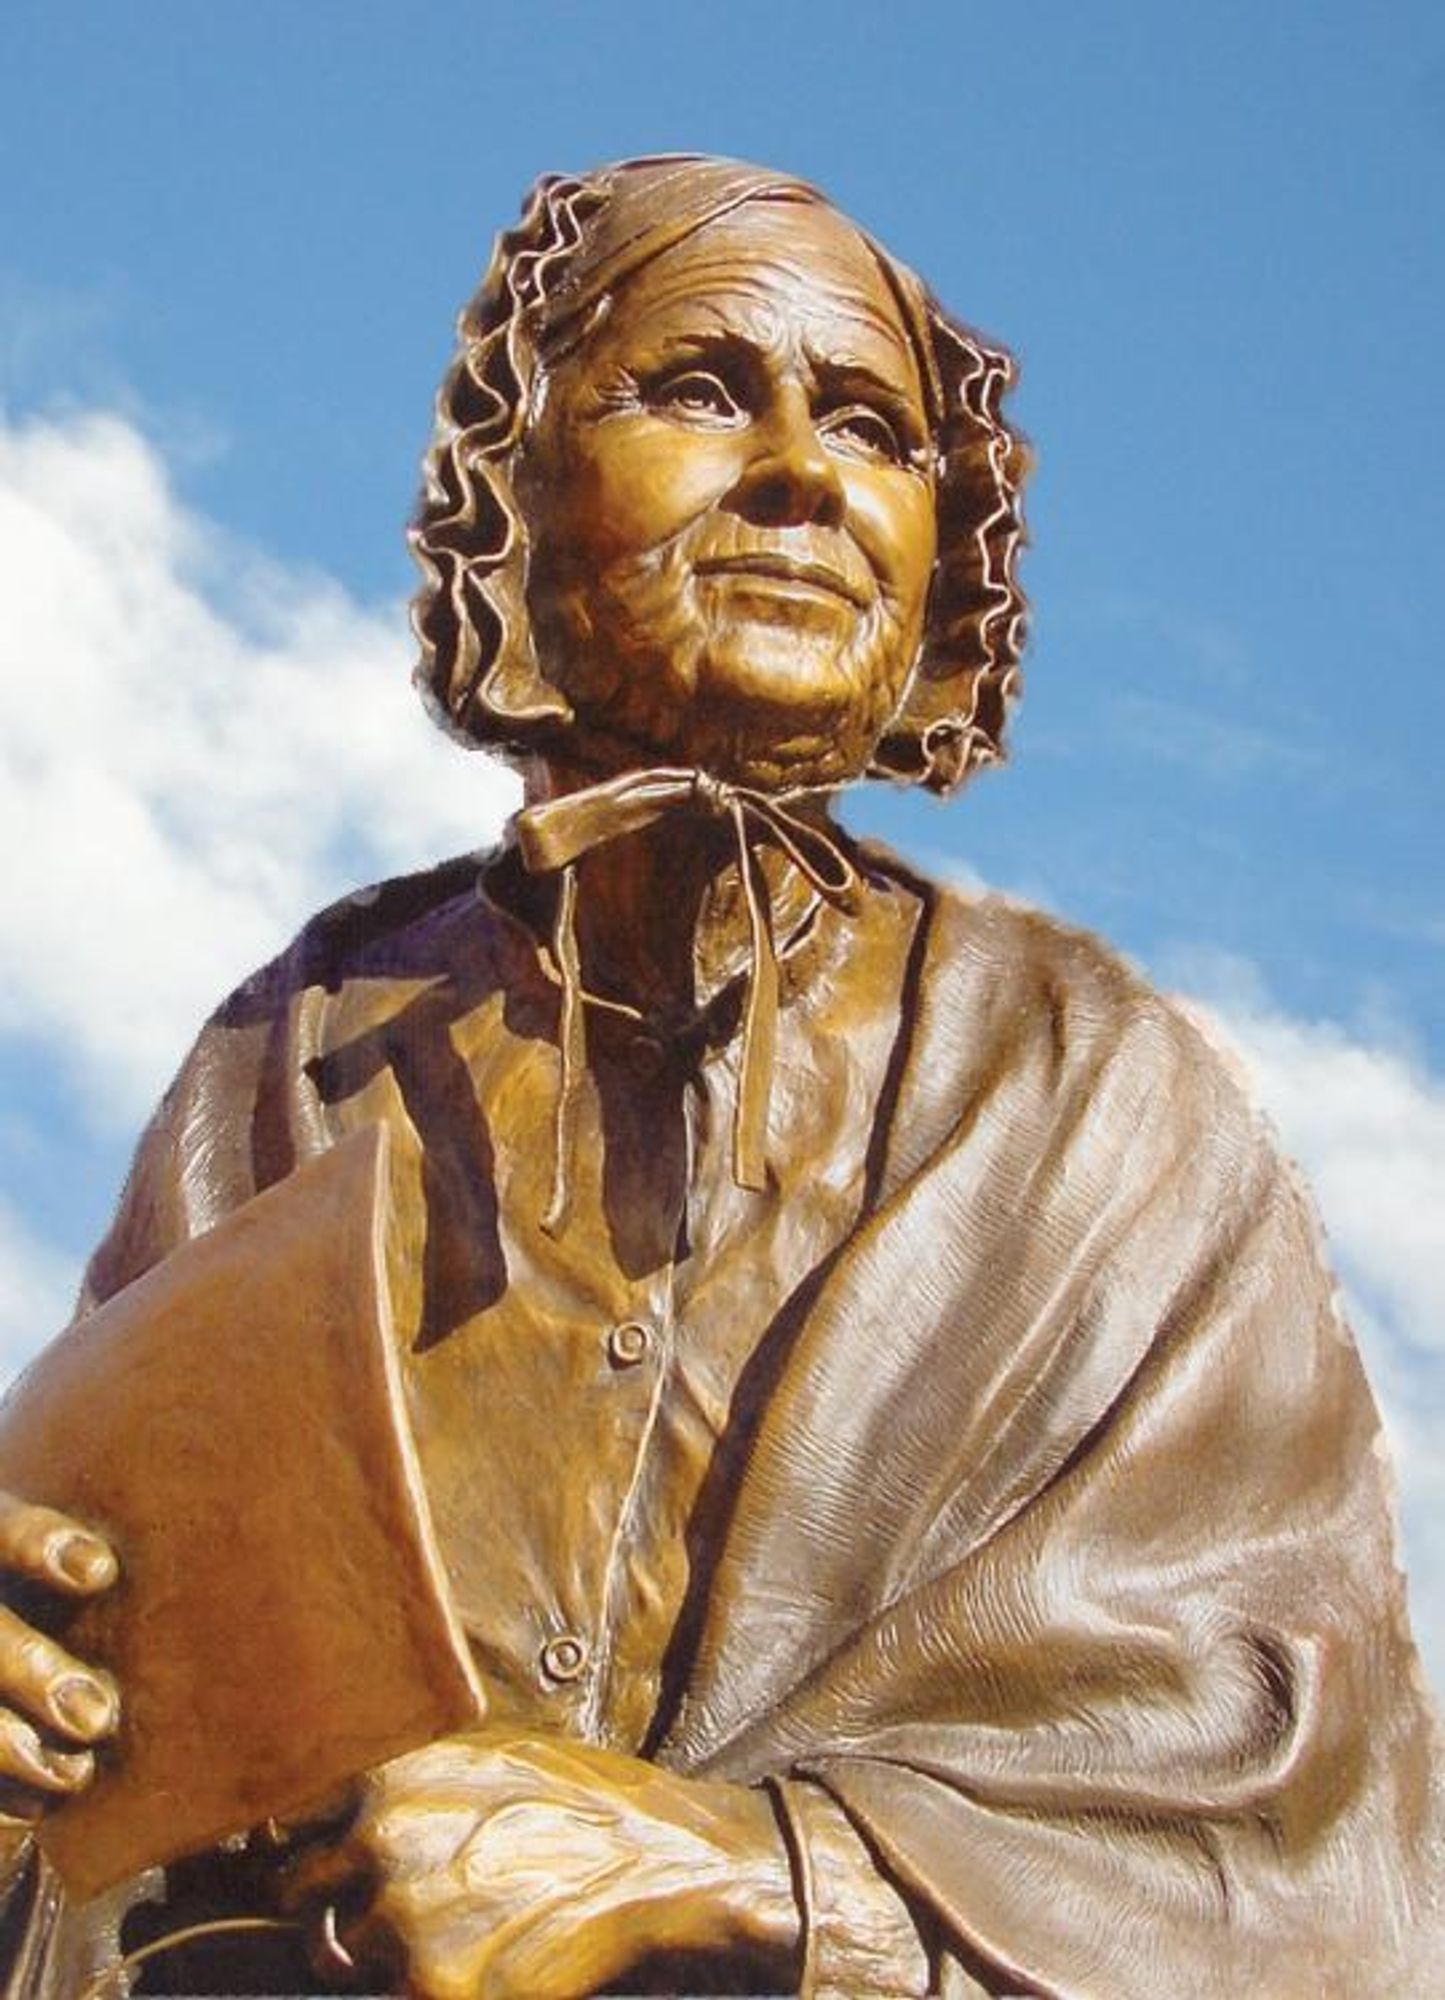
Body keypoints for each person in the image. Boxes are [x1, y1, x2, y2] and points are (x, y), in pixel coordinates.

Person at [0, 155, 1439, 1998]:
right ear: (511, 489)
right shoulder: (294, 1049)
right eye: (695, 388)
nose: (801, 474)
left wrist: (744, 1868)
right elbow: (112, 1741)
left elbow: (1296, 1820)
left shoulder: (1103, 1107)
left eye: (870, 427)